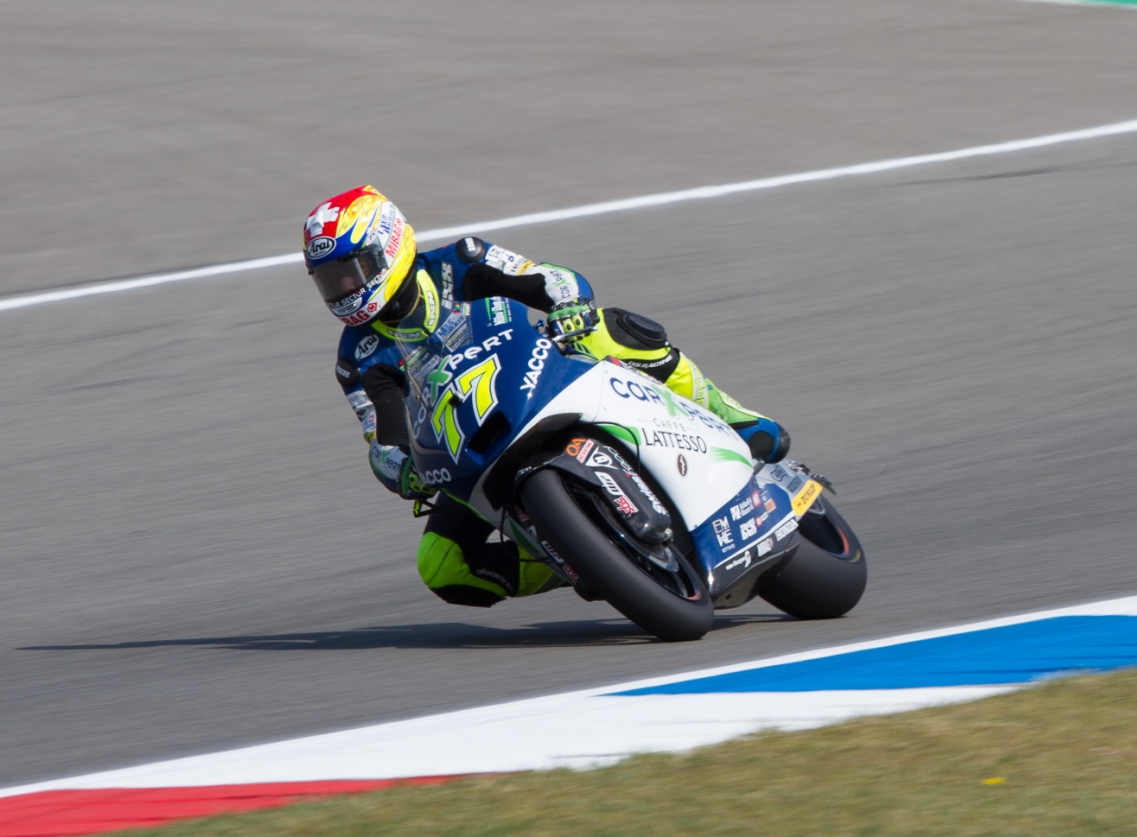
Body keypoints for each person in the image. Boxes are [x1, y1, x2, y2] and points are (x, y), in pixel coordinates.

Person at [305, 186, 788, 608]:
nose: (345, 289)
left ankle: (733, 416)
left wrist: (568, 306)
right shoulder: (358, 358)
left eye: (352, 270)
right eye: (330, 280)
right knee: (441, 565)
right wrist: (402, 470)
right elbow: (382, 438)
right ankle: (580, 558)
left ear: (389, 246)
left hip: (540, 378)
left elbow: (548, 278)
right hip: (470, 451)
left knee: (606, 328)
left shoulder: (459, 261)